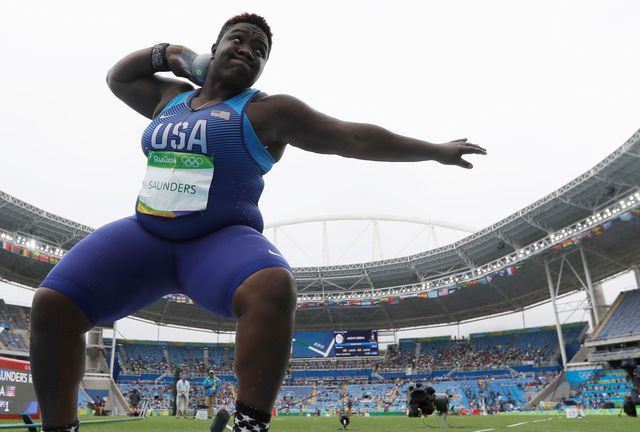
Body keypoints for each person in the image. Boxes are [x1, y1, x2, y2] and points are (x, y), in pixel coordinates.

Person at [29, 12, 486, 432]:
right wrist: (172, 55)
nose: (249, 49)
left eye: (260, 50)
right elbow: (118, 77)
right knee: (52, 304)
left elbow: (352, 137)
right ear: (214, 48)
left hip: (218, 243)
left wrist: (434, 150)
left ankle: (250, 425)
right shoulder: (170, 97)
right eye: (239, 39)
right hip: (146, 235)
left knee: (272, 286)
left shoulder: (267, 111)